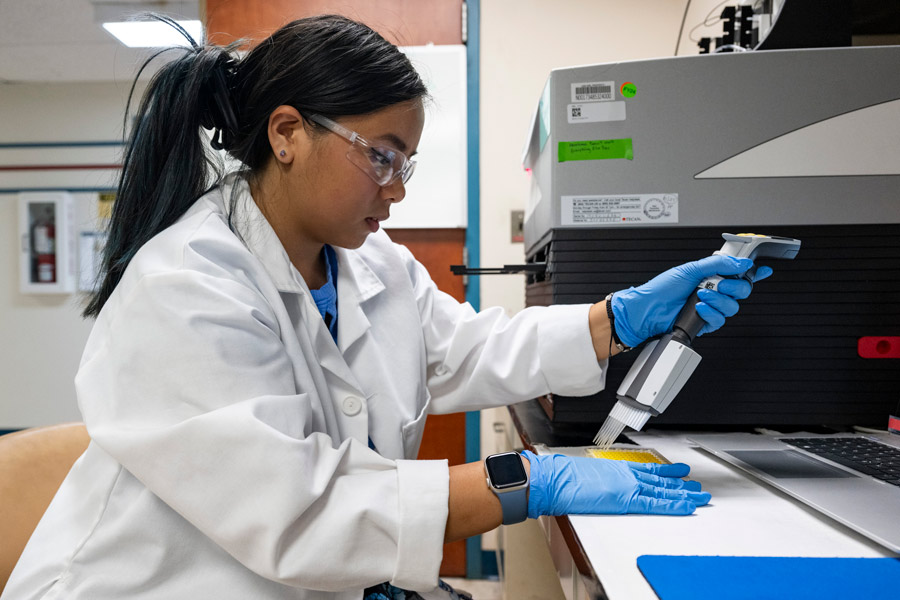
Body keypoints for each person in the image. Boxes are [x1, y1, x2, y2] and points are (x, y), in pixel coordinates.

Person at [2, 15, 772, 600]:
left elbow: (467, 350)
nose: (397, 188)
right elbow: (304, 510)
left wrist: (619, 320)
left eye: (405, 162)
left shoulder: (371, 266)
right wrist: (526, 479)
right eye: (381, 155)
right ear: (287, 133)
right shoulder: (186, 286)